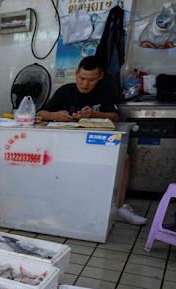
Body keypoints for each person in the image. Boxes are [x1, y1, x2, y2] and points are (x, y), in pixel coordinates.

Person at [37, 56, 146, 225]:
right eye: (81, 78)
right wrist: (55, 115)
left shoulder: (106, 91)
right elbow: (41, 114)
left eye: (91, 80)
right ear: (76, 74)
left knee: (123, 158)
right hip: (69, 143)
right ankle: (58, 204)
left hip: (97, 142)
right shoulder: (65, 91)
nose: (85, 84)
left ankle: (120, 207)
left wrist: (94, 115)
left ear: (100, 77)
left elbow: (114, 116)